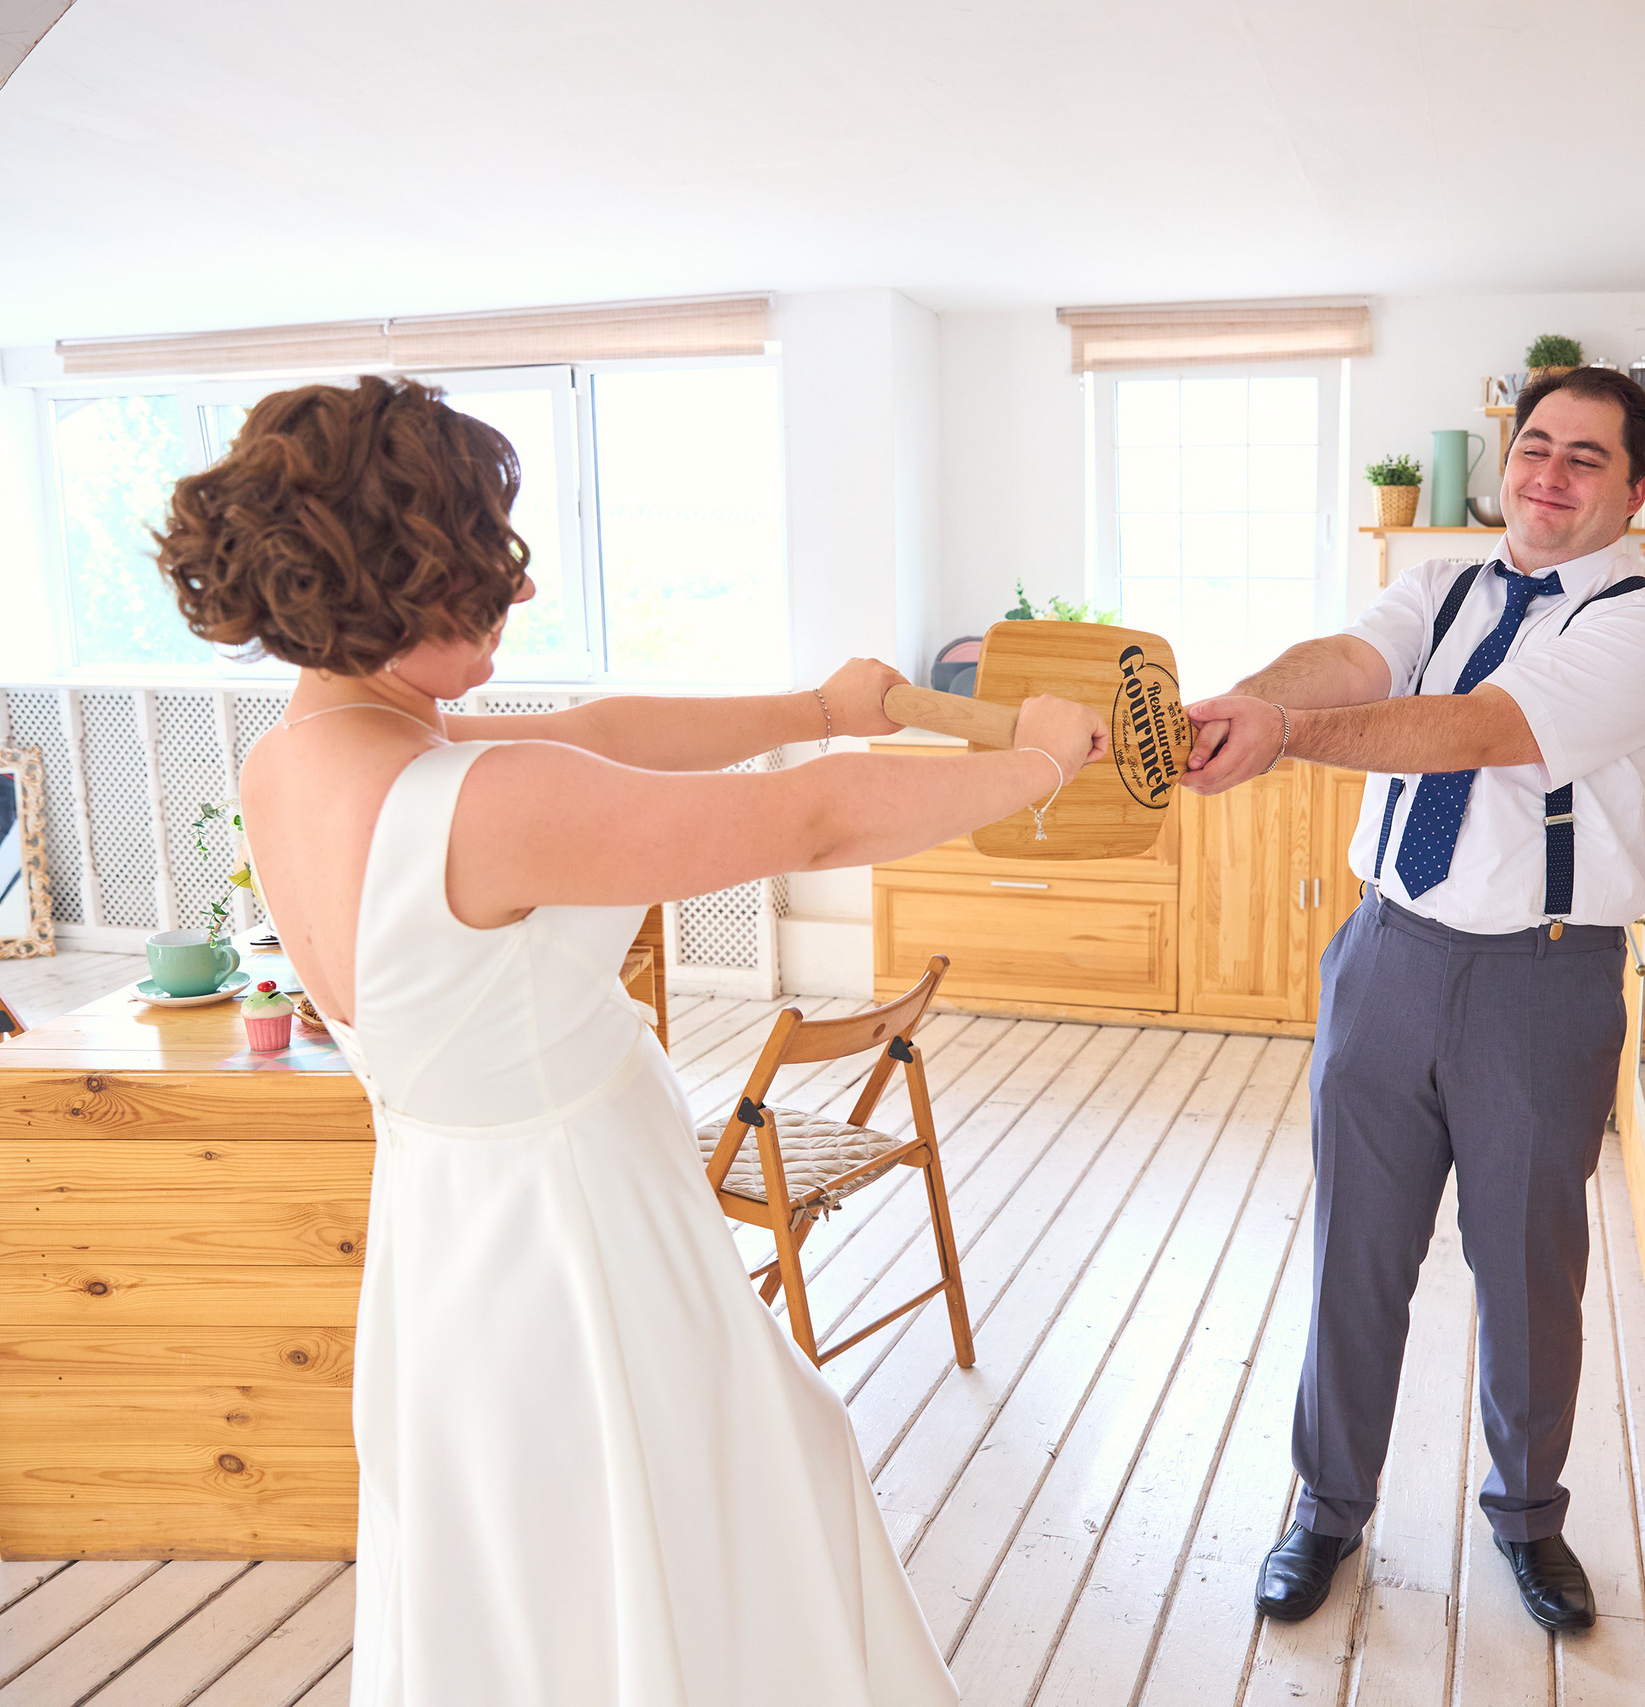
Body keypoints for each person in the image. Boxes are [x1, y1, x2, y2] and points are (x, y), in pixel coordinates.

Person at [155, 375, 1107, 1705]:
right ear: (396, 574)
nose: (514, 593)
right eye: (482, 562)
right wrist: (1040, 764)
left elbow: (600, 732)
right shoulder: (480, 802)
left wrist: (825, 703)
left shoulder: (300, 754)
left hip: (450, 1234)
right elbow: (814, 827)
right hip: (577, 1240)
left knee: (538, 1573)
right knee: (709, 1533)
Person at [1180, 367, 1645, 1633]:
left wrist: (1282, 742)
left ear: (1633, 488)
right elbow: (1348, 663)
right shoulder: (1444, 583)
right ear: (1502, 461)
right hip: (1386, 957)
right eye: (1534, 446)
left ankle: (1526, 1520)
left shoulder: (1640, 623)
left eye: (1586, 457)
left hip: (1539, 979)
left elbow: (1472, 731)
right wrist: (1254, 702)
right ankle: (1325, 1510)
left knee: (1525, 1272)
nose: (1549, 473)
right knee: (1356, 1251)